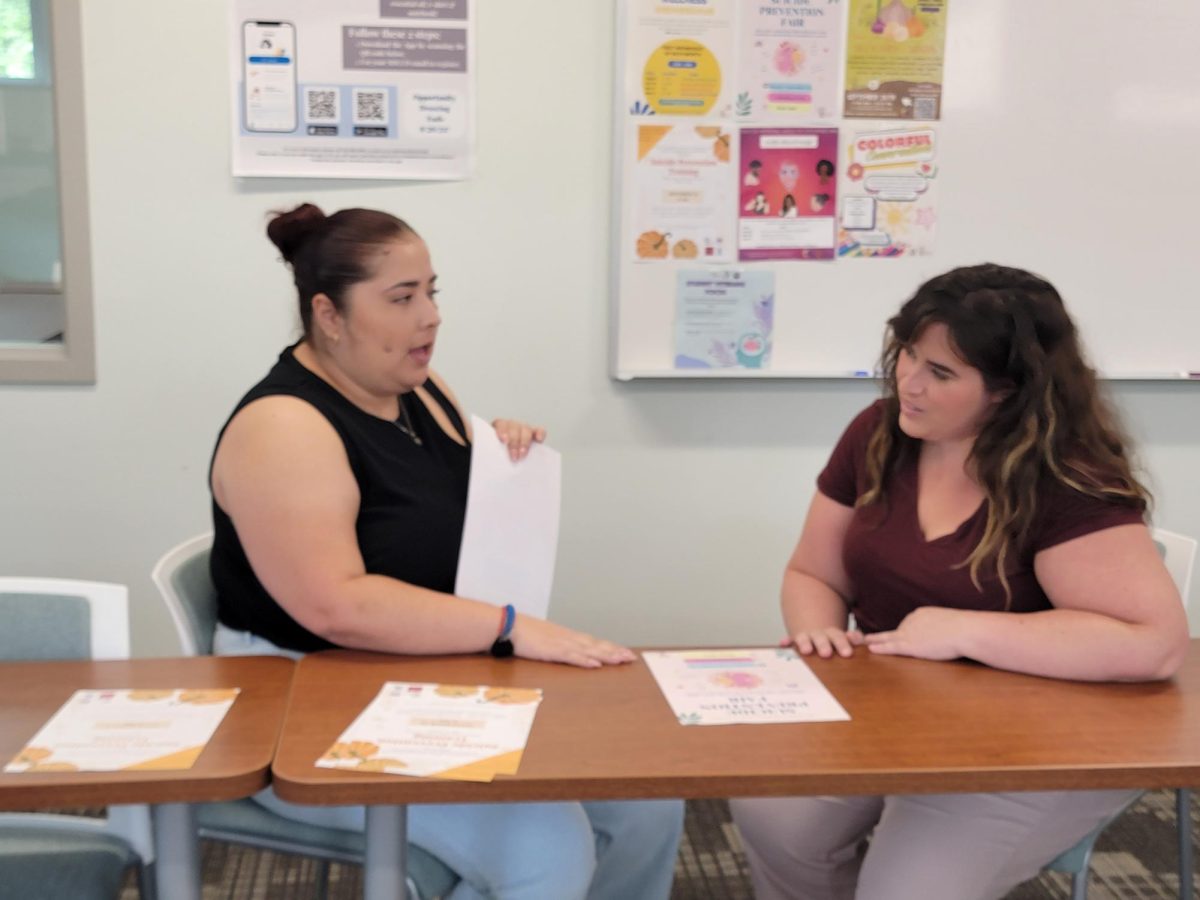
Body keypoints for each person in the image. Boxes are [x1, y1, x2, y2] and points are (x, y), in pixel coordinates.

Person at [209, 203, 683, 900]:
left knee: (648, 803)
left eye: (432, 291)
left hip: (416, 676)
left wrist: (500, 447)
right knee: (548, 849)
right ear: (329, 315)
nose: (429, 316)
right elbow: (335, 604)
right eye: (402, 298)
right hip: (299, 699)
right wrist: (511, 627)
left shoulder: (418, 389)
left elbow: (435, 504)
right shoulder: (282, 427)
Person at [730, 263, 1188, 900]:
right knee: (772, 811)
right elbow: (813, 572)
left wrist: (960, 630)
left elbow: (1152, 644)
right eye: (908, 356)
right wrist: (819, 638)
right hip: (905, 710)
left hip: (1048, 733)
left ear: (1008, 390)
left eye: (940, 373)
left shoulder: (1064, 478)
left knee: (902, 889)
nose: (909, 385)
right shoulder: (881, 432)